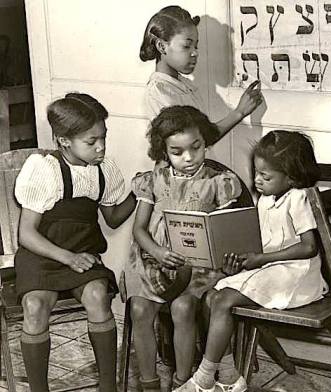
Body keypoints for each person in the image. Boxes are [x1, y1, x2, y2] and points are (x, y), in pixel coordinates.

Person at [174, 130, 329, 392]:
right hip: (270, 269)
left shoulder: (298, 198)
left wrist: (261, 259)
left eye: (265, 176)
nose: (256, 180)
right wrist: (239, 261)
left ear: (291, 177)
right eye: (256, 172)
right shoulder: (266, 200)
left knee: (222, 300)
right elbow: (258, 243)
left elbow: (309, 247)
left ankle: (203, 379)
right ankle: (229, 376)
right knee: (211, 297)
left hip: (297, 276)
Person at [14, 93, 137, 392]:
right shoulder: (43, 169)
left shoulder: (104, 170)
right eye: (91, 141)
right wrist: (67, 258)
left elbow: (113, 218)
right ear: (63, 140)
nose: (101, 147)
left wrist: (140, 193)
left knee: (97, 297)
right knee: (34, 305)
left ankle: (108, 387)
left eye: (103, 137)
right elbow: (26, 234)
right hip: (42, 254)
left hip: (84, 254)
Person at [123, 105, 244, 391]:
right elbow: (138, 230)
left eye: (196, 147)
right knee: (139, 309)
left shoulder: (217, 182)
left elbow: (229, 233)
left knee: (183, 306)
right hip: (153, 264)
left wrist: (227, 260)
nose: (188, 157)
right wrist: (157, 252)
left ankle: (183, 381)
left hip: (199, 270)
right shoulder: (153, 180)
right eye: (177, 152)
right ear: (164, 151)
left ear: (205, 142)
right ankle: (149, 383)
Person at [140, 5, 262, 138]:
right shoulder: (158, 93)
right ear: (162, 46)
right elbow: (196, 141)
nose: (195, 53)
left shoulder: (183, 85)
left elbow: (203, 135)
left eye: (196, 46)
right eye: (187, 46)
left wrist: (240, 111)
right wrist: (239, 112)